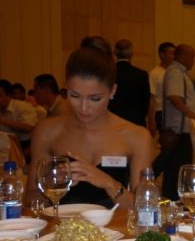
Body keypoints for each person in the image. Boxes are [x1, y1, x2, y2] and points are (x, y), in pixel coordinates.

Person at [26, 45, 153, 209]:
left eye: (95, 98)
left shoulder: (136, 136)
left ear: (112, 91)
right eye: (75, 96)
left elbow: (145, 208)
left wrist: (109, 183)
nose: (84, 107)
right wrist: (51, 186)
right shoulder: (47, 131)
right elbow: (30, 200)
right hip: (63, 224)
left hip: (117, 224)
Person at [152, 43, 195, 201]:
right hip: (178, 129)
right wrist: (192, 114)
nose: (193, 60)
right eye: (192, 57)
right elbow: (174, 97)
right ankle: (168, 194)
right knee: (175, 164)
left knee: (174, 165)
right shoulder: (175, 72)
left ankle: (171, 195)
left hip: (180, 128)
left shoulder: (179, 72)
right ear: (183, 56)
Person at [108, 39, 151, 127]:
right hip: (136, 122)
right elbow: (146, 102)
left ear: (115, 53)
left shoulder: (108, 73)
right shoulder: (141, 74)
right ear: (131, 53)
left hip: (113, 122)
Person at [0, 79, 40, 151]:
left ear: (9, 95)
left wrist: (3, 121)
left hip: (24, 145)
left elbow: (28, 128)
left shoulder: (23, 106)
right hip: (3, 144)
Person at [148, 41, 176, 135]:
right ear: (162, 55)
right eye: (171, 53)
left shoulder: (174, 72)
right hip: (161, 112)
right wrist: (151, 120)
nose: (173, 56)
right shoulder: (154, 73)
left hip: (174, 112)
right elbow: (152, 98)